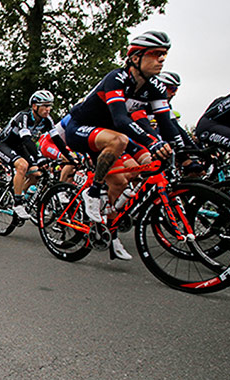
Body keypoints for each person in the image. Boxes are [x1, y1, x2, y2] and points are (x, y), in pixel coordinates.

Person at [64, 31, 179, 260]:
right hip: (80, 128)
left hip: (109, 138)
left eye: (164, 55)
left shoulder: (155, 87)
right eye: (155, 54)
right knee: (120, 140)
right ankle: (93, 192)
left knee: (128, 175)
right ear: (136, 57)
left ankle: (109, 231)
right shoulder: (116, 78)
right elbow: (120, 119)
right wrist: (152, 142)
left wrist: (185, 151)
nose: (161, 60)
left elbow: (167, 125)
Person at [0, 89, 56, 220]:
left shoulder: (47, 121)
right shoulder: (23, 117)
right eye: (45, 105)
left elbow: (57, 140)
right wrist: (39, 158)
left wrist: (69, 156)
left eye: (50, 106)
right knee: (22, 165)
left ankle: (20, 193)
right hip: (5, 145)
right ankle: (17, 203)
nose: (48, 109)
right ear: (35, 106)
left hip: (20, 146)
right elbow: (27, 140)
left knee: (37, 174)